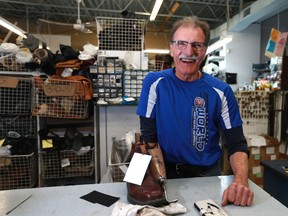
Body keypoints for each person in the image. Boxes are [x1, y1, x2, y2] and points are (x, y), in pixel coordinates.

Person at [136, 16, 254, 207]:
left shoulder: (221, 91)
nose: (188, 52)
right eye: (181, 43)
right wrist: (155, 179)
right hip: (166, 174)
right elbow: (149, 138)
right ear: (172, 48)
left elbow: (236, 144)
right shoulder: (154, 83)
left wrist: (240, 180)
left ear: (205, 51)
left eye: (197, 45)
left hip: (208, 176)